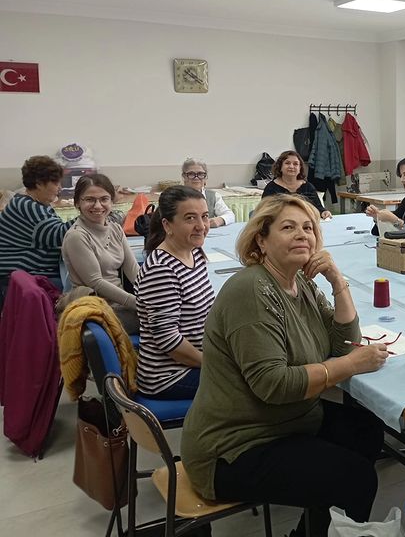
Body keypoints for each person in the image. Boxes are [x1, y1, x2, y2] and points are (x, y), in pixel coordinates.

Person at [181, 194, 387, 537]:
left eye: (308, 227)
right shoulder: (251, 290)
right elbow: (274, 385)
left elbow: (345, 342)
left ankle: (312, 530)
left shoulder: (300, 283)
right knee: (356, 478)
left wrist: (337, 280)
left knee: (366, 431)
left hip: (285, 420)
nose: (302, 234)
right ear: (261, 239)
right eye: (288, 227)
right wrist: (349, 365)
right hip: (233, 447)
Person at [134, 186, 215, 399]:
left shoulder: (194, 252)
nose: (201, 226)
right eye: (190, 218)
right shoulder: (162, 270)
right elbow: (168, 340)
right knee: (254, 384)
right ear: (167, 225)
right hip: (170, 376)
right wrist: (216, 363)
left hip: (195, 360)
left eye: (205, 217)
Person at [61, 174, 140, 334]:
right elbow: (96, 282)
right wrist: (139, 304)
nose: (98, 206)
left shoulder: (115, 229)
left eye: (104, 199)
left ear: (112, 202)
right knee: (166, 322)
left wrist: (154, 293)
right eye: (90, 199)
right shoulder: (77, 236)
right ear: (77, 203)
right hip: (98, 310)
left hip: (121, 304)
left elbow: (133, 269)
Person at [0, 155, 74, 296]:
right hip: (19, 279)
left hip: (29, 273)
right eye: (56, 183)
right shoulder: (28, 206)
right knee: (74, 290)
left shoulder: (32, 204)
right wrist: (89, 215)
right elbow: (58, 235)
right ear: (39, 183)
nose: (60, 188)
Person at [261, 150, 332, 219]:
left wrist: (324, 212)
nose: (291, 167)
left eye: (295, 164)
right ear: (280, 167)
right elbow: (264, 211)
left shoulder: (308, 187)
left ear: (300, 168)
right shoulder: (271, 188)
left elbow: (318, 207)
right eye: (287, 163)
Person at [181, 158, 235, 228]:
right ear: (184, 177)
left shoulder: (213, 196)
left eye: (200, 174)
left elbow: (230, 215)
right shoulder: (176, 196)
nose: (196, 178)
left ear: (205, 177)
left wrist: (220, 220)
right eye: (191, 174)